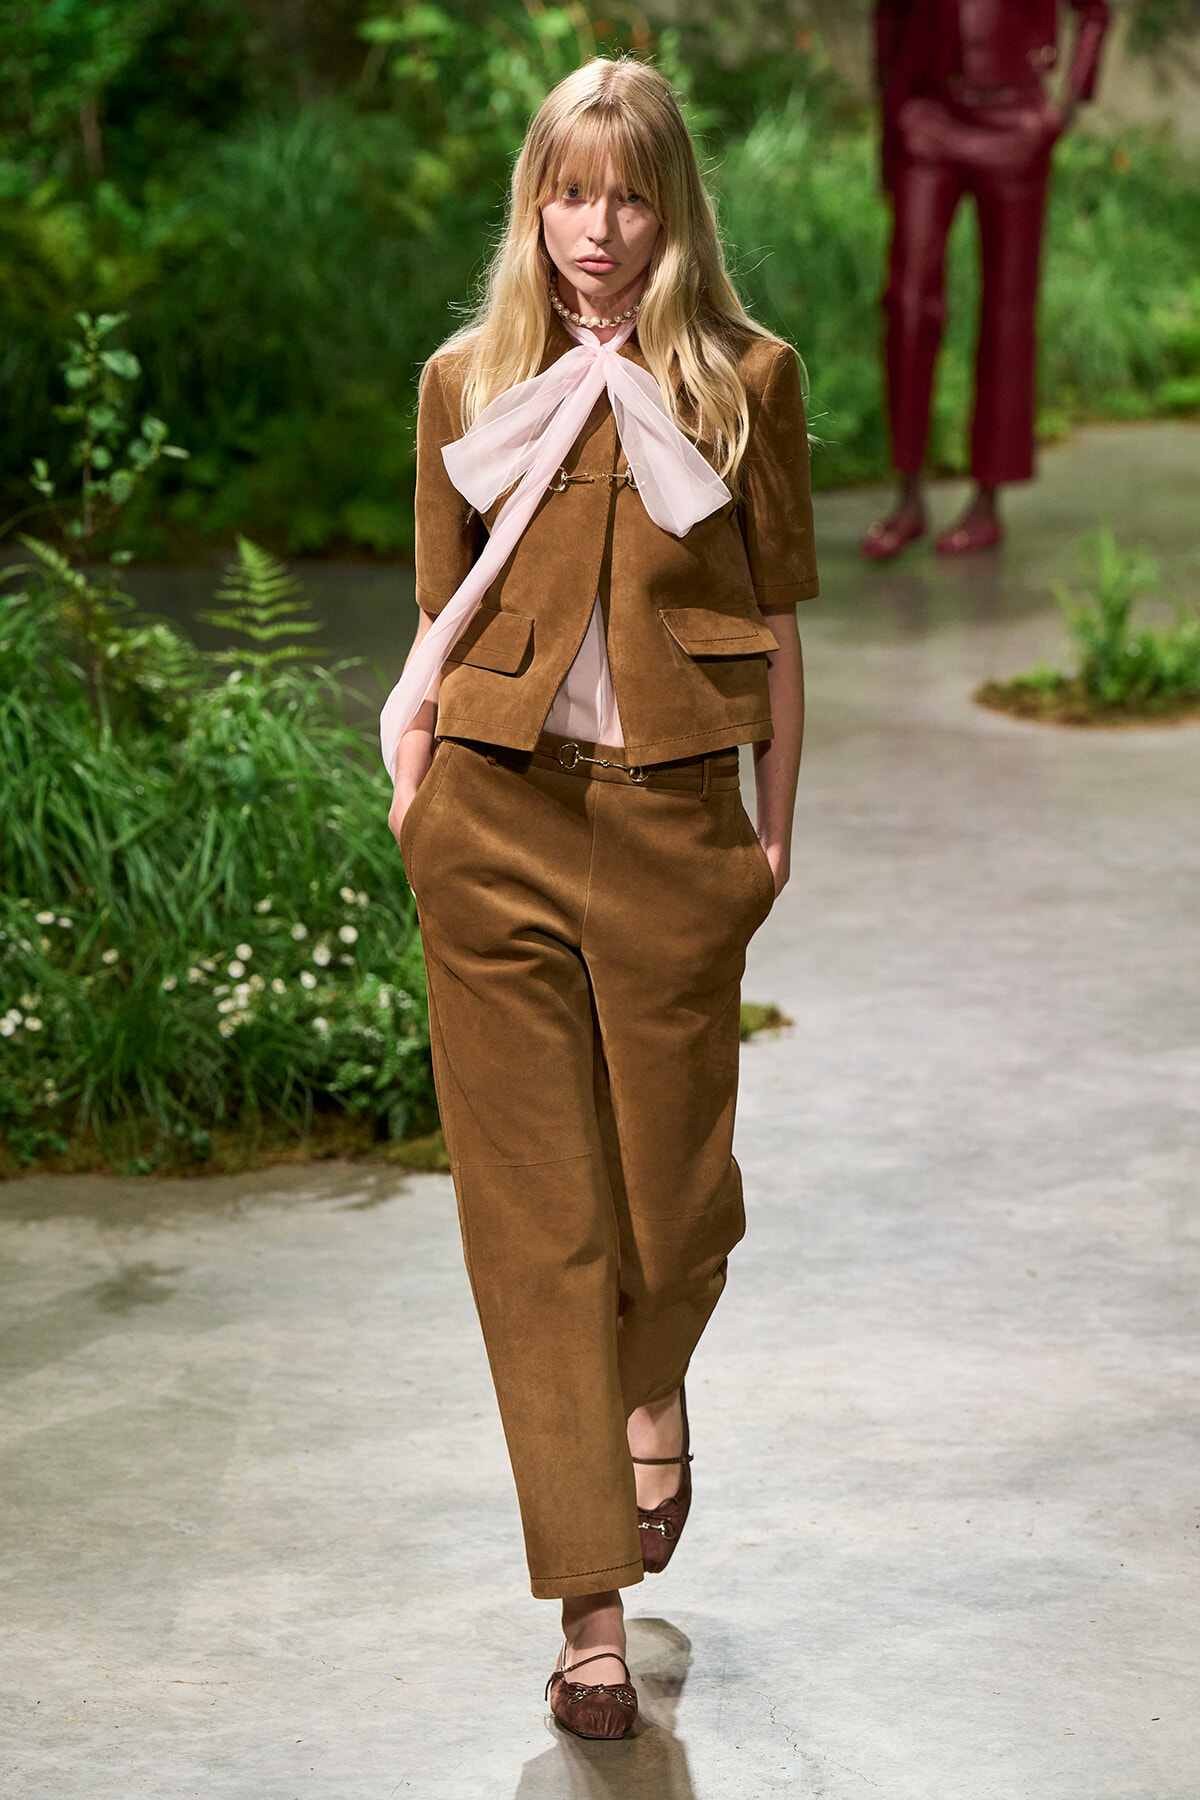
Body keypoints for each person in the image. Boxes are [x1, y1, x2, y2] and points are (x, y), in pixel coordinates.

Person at [380, 55, 817, 1739]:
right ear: (535, 205)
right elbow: (439, 612)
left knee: (677, 1200)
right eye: (572, 193)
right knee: (536, 1226)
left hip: (674, 830)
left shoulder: (747, 381)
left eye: (631, 196)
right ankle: (589, 1617)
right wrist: (420, 788)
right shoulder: (466, 381)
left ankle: (654, 1380)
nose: (600, 228)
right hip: (492, 820)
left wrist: (775, 837)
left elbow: (777, 623)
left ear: (672, 210)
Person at [863, 0, 1110, 561]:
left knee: (1008, 311)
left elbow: (1094, 12)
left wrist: (1067, 105)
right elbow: (888, 15)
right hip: (928, 114)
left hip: (1015, 118)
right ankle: (907, 492)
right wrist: (893, 118)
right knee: (908, 304)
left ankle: (987, 500)